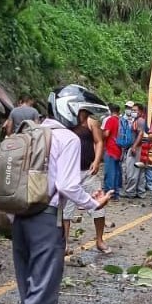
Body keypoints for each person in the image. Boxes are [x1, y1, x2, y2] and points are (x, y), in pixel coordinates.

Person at [1, 107, 113, 304]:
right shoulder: (66, 139)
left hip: (19, 220)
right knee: (43, 295)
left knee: (30, 291)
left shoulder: (21, 137)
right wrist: (92, 203)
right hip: (45, 220)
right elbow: (66, 184)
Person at [63, 102, 108, 256]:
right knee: (66, 210)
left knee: (98, 205)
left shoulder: (91, 121)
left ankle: (100, 240)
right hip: (70, 171)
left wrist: (97, 161)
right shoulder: (66, 121)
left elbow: (99, 141)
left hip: (88, 170)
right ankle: (65, 243)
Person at [120, 102, 146, 198]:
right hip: (137, 147)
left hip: (136, 148)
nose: (133, 112)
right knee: (139, 171)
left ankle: (130, 191)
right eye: (133, 110)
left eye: (135, 110)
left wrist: (134, 146)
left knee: (132, 171)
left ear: (141, 111)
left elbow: (140, 134)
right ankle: (140, 191)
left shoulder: (139, 121)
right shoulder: (137, 120)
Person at [100, 105, 123, 196]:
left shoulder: (110, 120)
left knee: (109, 172)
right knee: (116, 172)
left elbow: (106, 133)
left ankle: (109, 192)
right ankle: (116, 192)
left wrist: (99, 136)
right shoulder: (121, 121)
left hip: (110, 148)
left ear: (110, 111)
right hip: (118, 149)